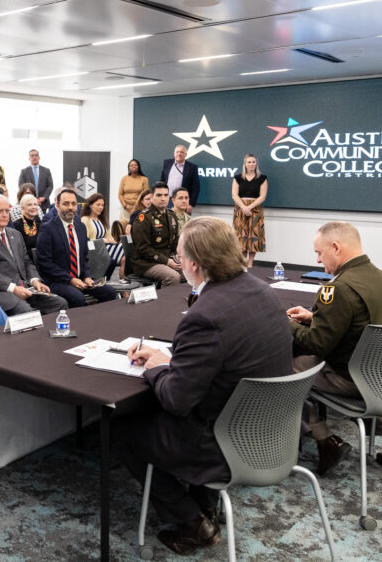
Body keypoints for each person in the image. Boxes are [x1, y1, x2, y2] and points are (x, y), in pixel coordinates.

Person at [118, 216, 292, 555]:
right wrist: (174, 361)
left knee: (123, 429)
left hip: (223, 442)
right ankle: (205, 505)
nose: (178, 261)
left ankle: (191, 521)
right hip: (270, 431)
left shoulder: (204, 315)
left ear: (194, 263)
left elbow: (176, 400)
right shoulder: (264, 291)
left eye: (180, 255)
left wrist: (157, 367)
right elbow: (226, 359)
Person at [287, 222, 382, 475]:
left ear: (336, 247)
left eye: (319, 253)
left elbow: (316, 343)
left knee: (284, 367)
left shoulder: (338, 288)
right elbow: (362, 322)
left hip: (353, 379)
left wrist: (288, 324)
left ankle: (325, 439)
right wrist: (315, 317)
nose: (318, 260)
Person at [0, 194, 67, 316]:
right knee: (28, 313)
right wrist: (13, 288)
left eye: (7, 211)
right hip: (2, 292)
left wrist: (35, 281)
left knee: (60, 303)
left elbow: (26, 262)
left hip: (26, 288)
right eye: (0, 211)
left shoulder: (15, 234)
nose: (5, 215)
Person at [36, 189, 118, 308]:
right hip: (57, 281)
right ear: (57, 205)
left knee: (109, 292)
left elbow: (84, 258)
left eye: (73, 204)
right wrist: (70, 279)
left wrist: (87, 276)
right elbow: (45, 263)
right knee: (77, 297)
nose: (70, 207)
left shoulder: (81, 227)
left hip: (80, 279)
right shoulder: (47, 229)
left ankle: (99, 317)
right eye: (66, 203)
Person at [128, 183, 182, 285]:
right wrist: (167, 261)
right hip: (146, 263)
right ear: (152, 197)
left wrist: (181, 257)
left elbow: (175, 242)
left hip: (167, 259)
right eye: (159, 195)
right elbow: (143, 248)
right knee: (173, 277)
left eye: (166, 195)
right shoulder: (144, 218)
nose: (163, 198)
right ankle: (164, 296)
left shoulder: (171, 215)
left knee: (193, 272)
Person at [231, 153, 268, 267]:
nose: (251, 164)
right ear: (245, 164)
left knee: (254, 236)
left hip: (255, 209)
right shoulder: (238, 178)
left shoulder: (262, 178)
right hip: (240, 209)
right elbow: (234, 195)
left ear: (256, 164)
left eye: (253, 162)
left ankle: (250, 262)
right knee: (241, 236)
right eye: (249, 162)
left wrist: (249, 207)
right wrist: (243, 207)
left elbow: (262, 196)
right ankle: (243, 261)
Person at [80, 193, 123, 278]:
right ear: (90, 205)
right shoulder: (85, 219)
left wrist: (112, 241)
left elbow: (109, 237)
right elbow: (85, 241)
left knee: (123, 249)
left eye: (102, 205)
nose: (100, 207)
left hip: (104, 248)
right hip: (93, 250)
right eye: (98, 204)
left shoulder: (101, 220)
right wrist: (102, 240)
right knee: (120, 255)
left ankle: (122, 280)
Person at [160, 145, 200, 212]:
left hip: (182, 201)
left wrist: (191, 204)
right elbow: (162, 180)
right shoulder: (167, 163)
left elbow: (196, 187)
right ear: (174, 153)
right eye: (177, 152)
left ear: (185, 154)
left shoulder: (192, 167)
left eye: (181, 152)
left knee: (181, 219)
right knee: (166, 218)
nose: (179, 154)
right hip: (167, 199)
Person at [12, 193, 42, 262]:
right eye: (29, 205)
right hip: (25, 262)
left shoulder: (40, 224)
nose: (33, 207)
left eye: (35, 204)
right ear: (22, 208)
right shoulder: (16, 225)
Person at [117, 158, 149, 223]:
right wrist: (125, 206)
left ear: (138, 167)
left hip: (139, 208)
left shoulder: (144, 179)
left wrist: (137, 206)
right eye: (131, 165)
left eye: (135, 165)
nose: (133, 166)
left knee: (138, 226)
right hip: (125, 209)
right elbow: (120, 194)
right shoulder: (124, 179)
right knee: (124, 226)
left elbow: (146, 195)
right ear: (129, 168)